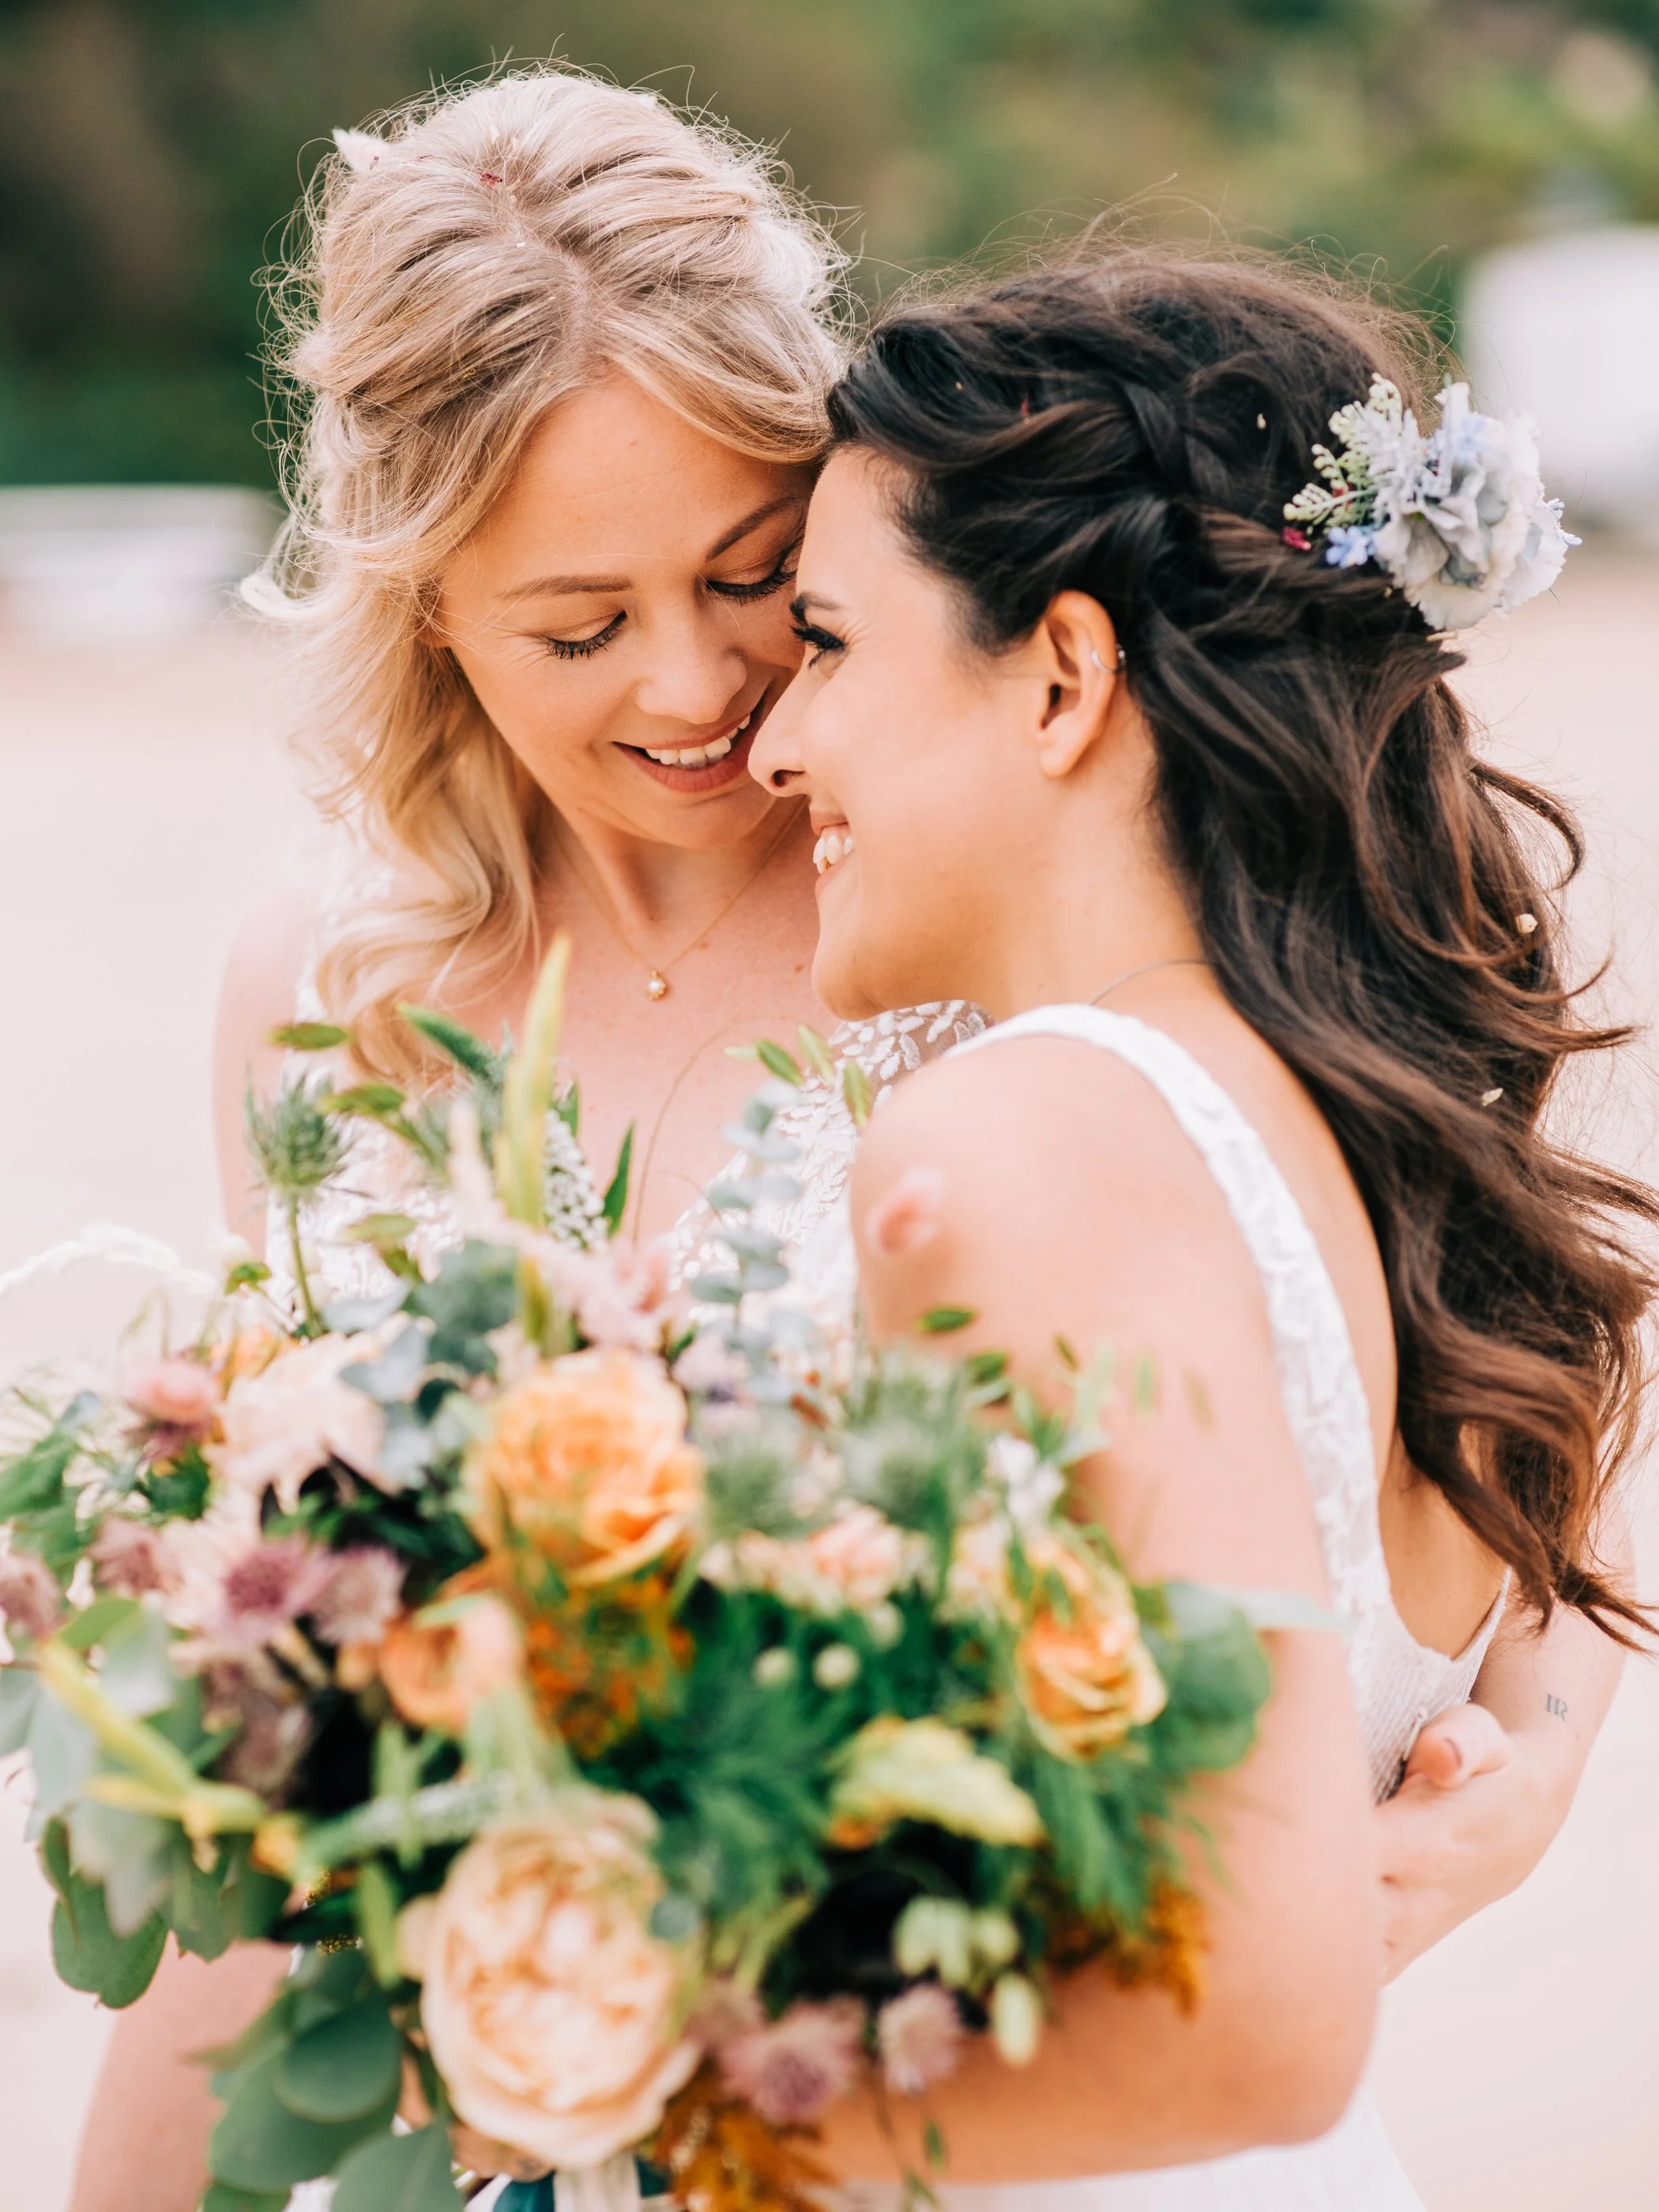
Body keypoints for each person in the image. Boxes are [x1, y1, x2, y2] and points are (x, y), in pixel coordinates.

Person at [63, 69, 1621, 2209]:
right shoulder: (326, 1017)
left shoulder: (1006, 922)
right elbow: (310, 1740)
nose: (707, 692)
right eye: (578, 624)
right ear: (429, 606)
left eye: (752, 580)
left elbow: (1446, 1287)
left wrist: (1520, 1759)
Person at [749, 248, 1651, 2202]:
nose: (772, 746)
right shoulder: (1376, 1150)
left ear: (1064, 675)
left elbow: (1262, 2017)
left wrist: (651, 2102)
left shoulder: (1029, 1145)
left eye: (825, 643)